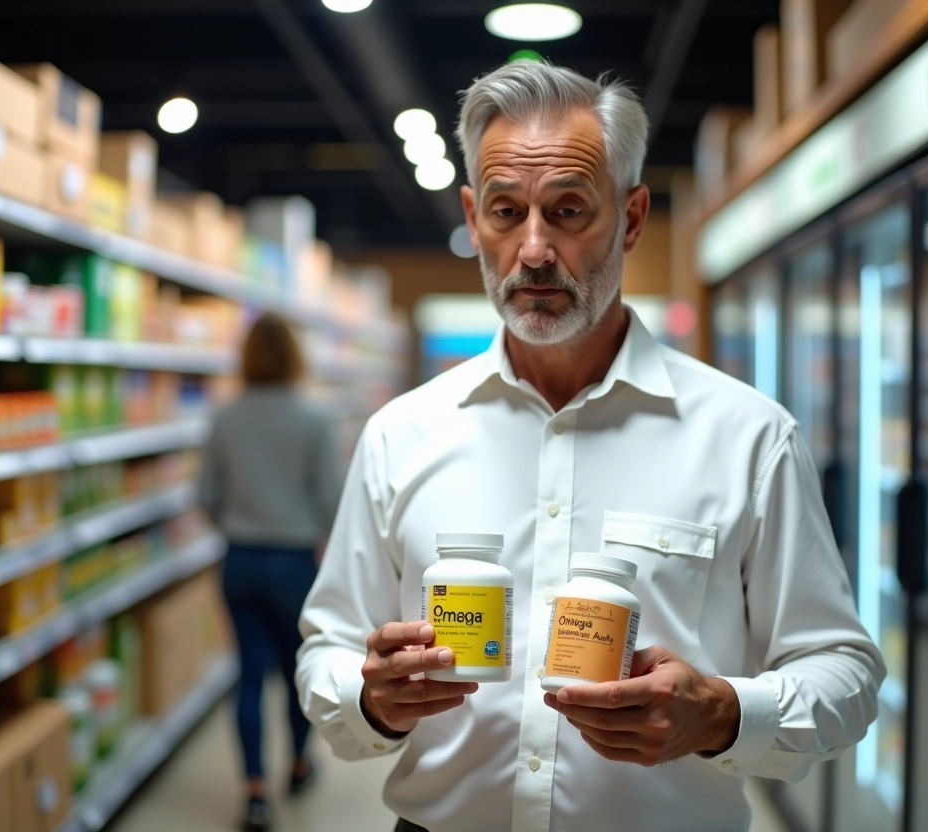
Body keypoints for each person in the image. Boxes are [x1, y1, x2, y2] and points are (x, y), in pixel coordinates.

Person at [296, 61, 883, 832]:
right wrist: (372, 696)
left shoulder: (748, 437)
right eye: (506, 212)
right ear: (473, 218)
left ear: (632, 217)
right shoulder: (401, 435)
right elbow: (325, 650)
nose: (534, 251)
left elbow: (846, 674)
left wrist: (721, 714)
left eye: (569, 211)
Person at [198, 312, 342, 832]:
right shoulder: (313, 418)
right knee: (298, 669)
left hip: (239, 559)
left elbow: (205, 496)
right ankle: (299, 764)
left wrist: (237, 524)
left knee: (249, 676)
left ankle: (255, 789)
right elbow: (331, 500)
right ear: (294, 357)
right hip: (293, 562)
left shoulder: (225, 416)